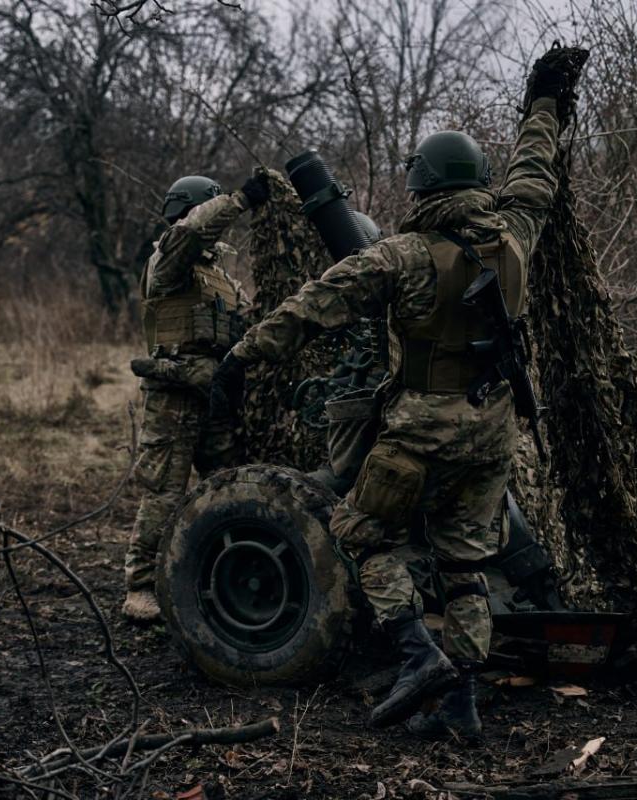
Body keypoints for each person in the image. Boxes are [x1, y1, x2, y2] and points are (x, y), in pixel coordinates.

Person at [209, 46, 587, 734]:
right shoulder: (517, 235)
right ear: (475, 181)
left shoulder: (399, 256)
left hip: (419, 429)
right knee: (466, 563)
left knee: (356, 534)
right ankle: (461, 706)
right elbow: (536, 171)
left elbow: (311, 307)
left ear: (422, 188)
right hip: (491, 427)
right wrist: (544, 105)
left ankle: (418, 657)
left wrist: (240, 357)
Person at [122, 173, 270, 623]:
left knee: (227, 482)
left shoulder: (218, 277)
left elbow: (246, 322)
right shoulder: (169, 258)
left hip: (213, 394)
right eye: (216, 208)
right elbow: (191, 230)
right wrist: (241, 199)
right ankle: (140, 585)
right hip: (173, 397)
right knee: (165, 492)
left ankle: (212, 568)